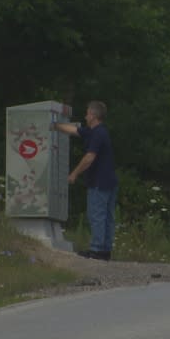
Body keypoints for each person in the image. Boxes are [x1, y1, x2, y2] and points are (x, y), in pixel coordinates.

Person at [52, 101, 118, 261]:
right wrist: (54, 125)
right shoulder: (97, 132)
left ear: (94, 116)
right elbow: (74, 130)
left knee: (97, 215)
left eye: (87, 113)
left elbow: (89, 157)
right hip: (110, 182)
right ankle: (105, 251)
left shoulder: (98, 134)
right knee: (107, 217)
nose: (85, 116)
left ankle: (96, 251)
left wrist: (74, 174)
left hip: (99, 182)